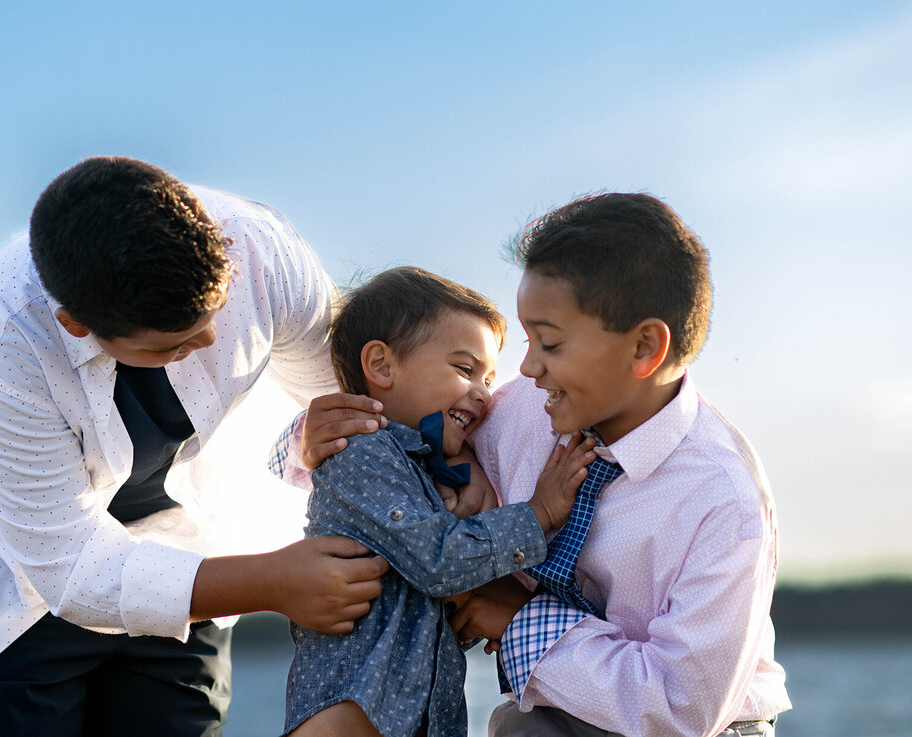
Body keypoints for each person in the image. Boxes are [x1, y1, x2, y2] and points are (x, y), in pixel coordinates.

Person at [0, 156, 390, 737]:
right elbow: (72, 571)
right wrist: (276, 582)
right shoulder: (3, 340)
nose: (209, 342)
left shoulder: (262, 250)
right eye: (172, 344)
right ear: (76, 324)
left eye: (216, 313)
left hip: (191, 555)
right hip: (4, 583)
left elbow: (360, 391)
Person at [287, 193, 792, 737]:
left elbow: (680, 709)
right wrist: (314, 435)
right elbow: (406, 428)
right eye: (528, 341)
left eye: (549, 344)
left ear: (645, 347)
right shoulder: (523, 409)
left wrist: (520, 619)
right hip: (550, 710)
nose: (526, 367)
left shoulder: (724, 501)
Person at [281, 266, 598, 737]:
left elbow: (421, 607)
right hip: (346, 716)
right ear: (382, 367)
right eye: (465, 369)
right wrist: (539, 513)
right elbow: (438, 561)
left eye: (489, 379)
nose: (484, 394)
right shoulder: (359, 453)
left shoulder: (427, 472)